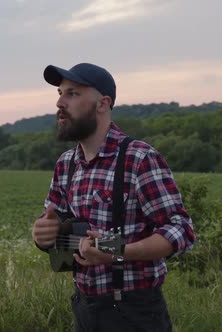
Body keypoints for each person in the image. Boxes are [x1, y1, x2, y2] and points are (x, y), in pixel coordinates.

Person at [32, 63, 195, 332]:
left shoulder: (139, 158)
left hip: (135, 314)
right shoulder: (66, 164)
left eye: (72, 93)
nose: (60, 102)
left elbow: (181, 230)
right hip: (84, 310)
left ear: (102, 103)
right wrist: (42, 235)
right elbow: (58, 232)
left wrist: (116, 250)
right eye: (60, 93)